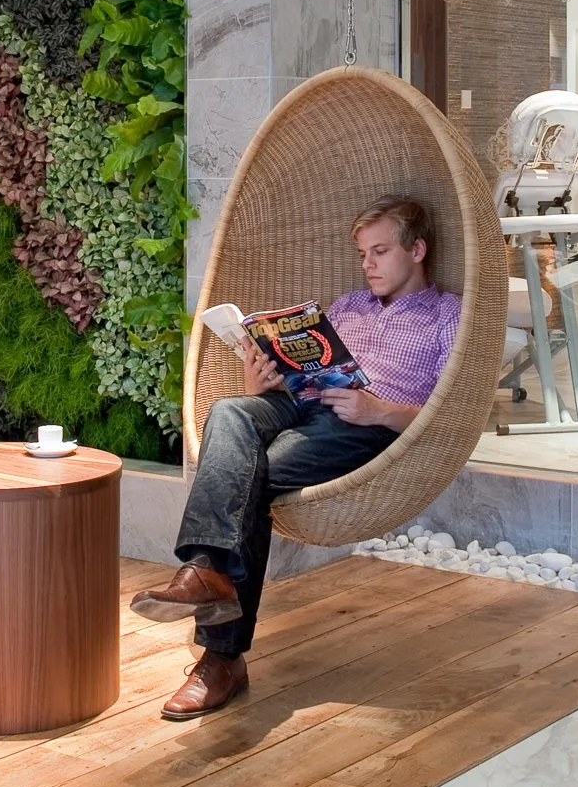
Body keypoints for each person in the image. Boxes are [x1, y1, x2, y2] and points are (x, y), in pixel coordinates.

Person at [133, 195, 461, 721]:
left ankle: (218, 645)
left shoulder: (448, 316)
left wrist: (379, 410)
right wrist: (259, 382)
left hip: (363, 427)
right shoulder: (347, 306)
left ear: (417, 250)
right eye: (362, 254)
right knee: (232, 411)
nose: (368, 264)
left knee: (251, 475)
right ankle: (207, 584)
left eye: (380, 252)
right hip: (299, 405)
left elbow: (455, 418)